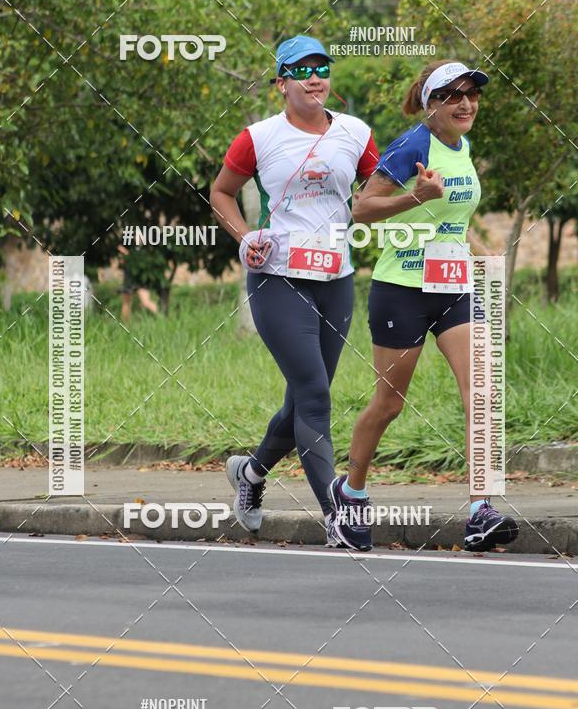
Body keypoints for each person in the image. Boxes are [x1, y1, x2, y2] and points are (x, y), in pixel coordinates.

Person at [329, 60, 519, 552]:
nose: (466, 104)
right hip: (402, 289)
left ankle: (481, 510)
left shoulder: (465, 147)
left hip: (453, 286)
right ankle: (350, 494)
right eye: (454, 96)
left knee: (482, 392)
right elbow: (362, 209)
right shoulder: (414, 144)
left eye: (472, 95)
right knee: (389, 403)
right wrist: (416, 197)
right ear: (432, 104)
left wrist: (482, 253)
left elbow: (451, 218)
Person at [210, 35, 379, 547]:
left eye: (322, 68)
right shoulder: (257, 138)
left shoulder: (356, 132)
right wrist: (246, 238)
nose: (314, 77)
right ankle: (338, 516)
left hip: (337, 280)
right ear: (281, 83)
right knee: (315, 396)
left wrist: (414, 194)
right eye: (301, 70)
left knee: (302, 399)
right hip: (278, 280)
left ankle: (250, 473)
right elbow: (220, 193)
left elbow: (375, 191)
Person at [118, 242, 159, 322]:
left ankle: (162, 318)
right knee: (126, 303)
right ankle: (124, 326)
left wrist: (128, 255)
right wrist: (125, 254)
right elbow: (121, 260)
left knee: (146, 302)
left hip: (141, 280)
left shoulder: (146, 250)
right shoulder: (129, 247)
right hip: (129, 278)